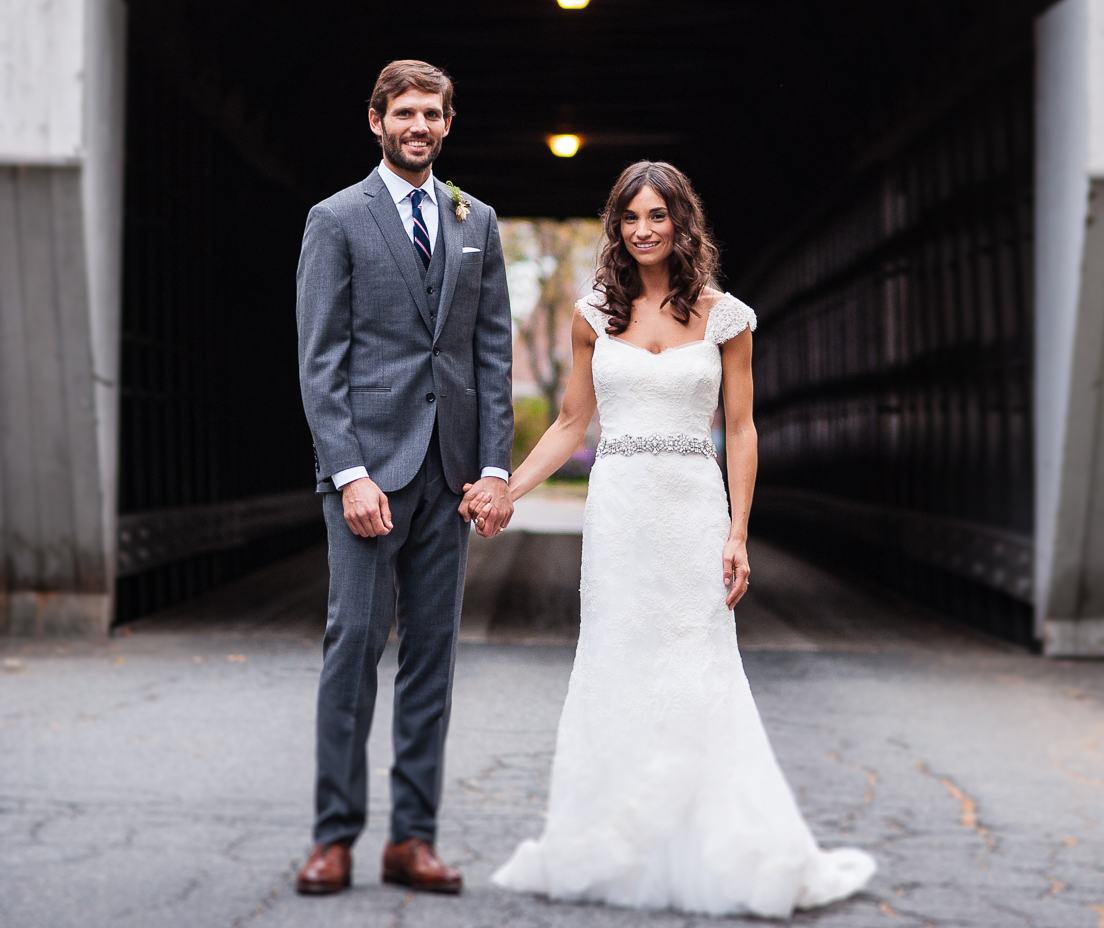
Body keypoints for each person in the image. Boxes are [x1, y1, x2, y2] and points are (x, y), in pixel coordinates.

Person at [477, 160, 875, 918]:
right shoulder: (594, 313)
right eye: (631, 218)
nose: (644, 229)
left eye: (658, 215)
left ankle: (716, 847)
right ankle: (613, 843)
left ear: (681, 222)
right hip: (620, 509)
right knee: (616, 662)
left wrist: (739, 531)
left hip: (693, 508)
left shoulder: (727, 316)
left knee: (699, 668)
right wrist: (507, 488)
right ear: (616, 228)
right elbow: (570, 422)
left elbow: (740, 429)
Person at [294, 59, 515, 897]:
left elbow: (488, 351)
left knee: (434, 654)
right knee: (353, 645)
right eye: (404, 113)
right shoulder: (335, 219)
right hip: (368, 475)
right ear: (377, 122)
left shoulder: (476, 220)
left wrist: (494, 464)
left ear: (449, 124)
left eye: (433, 114)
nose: (419, 126)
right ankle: (335, 838)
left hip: (450, 475)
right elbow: (321, 362)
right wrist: (349, 473)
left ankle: (411, 839)